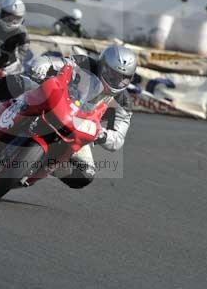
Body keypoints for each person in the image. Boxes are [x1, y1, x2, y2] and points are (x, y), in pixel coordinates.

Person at [26, 44, 137, 189]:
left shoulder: (124, 101)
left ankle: (39, 168)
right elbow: (60, 63)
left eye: (123, 78)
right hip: (55, 105)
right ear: (102, 65)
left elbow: (118, 139)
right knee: (19, 84)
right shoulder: (85, 63)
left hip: (79, 127)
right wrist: (44, 64)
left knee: (85, 174)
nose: (116, 81)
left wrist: (102, 135)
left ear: (130, 78)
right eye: (111, 74)